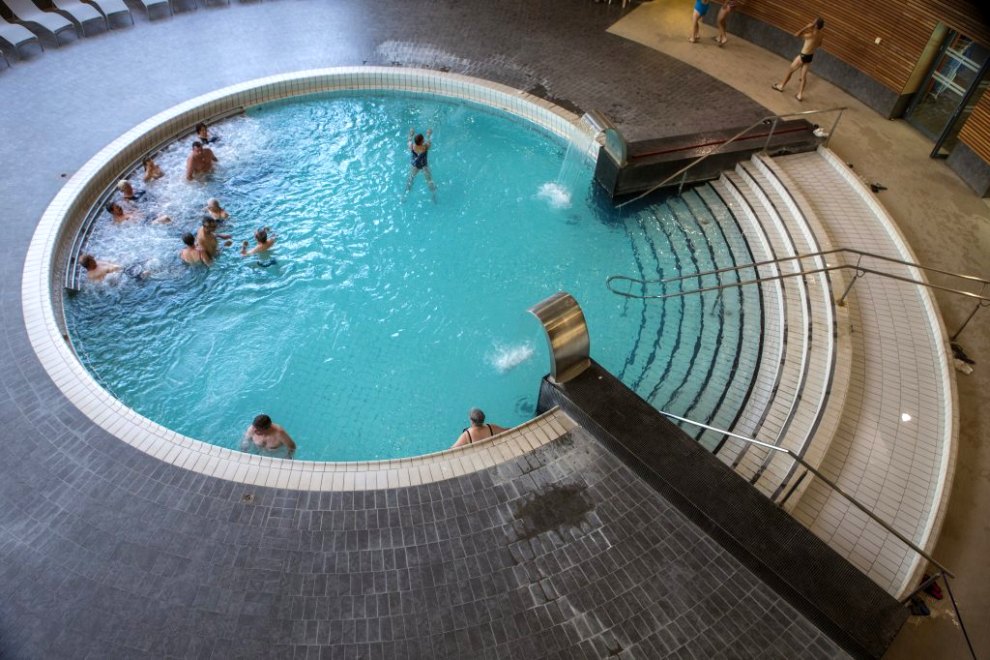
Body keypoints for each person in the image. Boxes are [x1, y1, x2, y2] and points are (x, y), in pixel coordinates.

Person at [773, 17, 825, 102]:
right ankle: (800, 95)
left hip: (803, 56)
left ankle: (781, 86)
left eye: (813, 22)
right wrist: (811, 44)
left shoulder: (810, 34)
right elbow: (819, 45)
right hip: (810, 57)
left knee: (790, 70)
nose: (811, 22)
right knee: (803, 77)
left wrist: (806, 27)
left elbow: (796, 34)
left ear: (815, 25)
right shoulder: (821, 35)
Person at [405, 128, 437, 200]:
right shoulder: (425, 147)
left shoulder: (412, 146)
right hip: (424, 166)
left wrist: (411, 133)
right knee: (429, 181)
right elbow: (429, 141)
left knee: (410, 179)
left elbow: (409, 140)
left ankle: (405, 194)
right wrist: (428, 134)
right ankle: (433, 195)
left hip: (415, 165)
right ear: (422, 141)